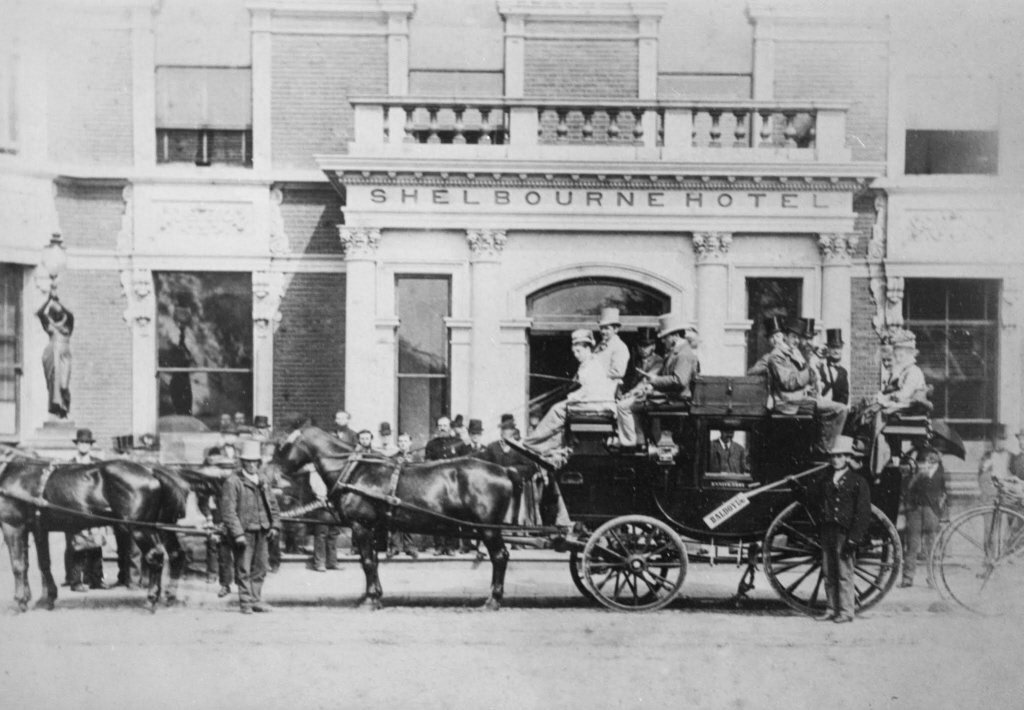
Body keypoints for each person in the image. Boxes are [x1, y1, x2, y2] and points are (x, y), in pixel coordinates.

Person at [749, 316, 847, 455]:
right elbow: (789, 382)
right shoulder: (777, 355)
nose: (796, 341)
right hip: (790, 402)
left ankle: (825, 446)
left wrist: (813, 375)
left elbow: (807, 378)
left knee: (839, 409)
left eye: (798, 338)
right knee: (840, 409)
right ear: (785, 337)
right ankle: (824, 449)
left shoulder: (794, 353)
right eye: (793, 337)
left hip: (802, 398)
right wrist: (810, 368)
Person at [802, 435, 871, 623]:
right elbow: (811, 497)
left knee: (844, 573)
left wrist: (854, 538)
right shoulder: (825, 480)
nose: (836, 460)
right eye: (833, 456)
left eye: (840, 456)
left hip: (844, 533)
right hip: (827, 531)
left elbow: (863, 513)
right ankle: (831, 609)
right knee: (828, 571)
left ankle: (847, 611)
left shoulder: (858, 481)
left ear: (848, 457)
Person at [525, 329, 617, 453]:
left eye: (578, 351)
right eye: (574, 352)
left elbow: (590, 390)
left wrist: (572, 397)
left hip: (595, 404)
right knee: (560, 408)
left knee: (557, 410)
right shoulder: (588, 364)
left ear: (588, 348)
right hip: (593, 402)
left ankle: (532, 443)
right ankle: (546, 445)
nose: (576, 355)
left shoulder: (592, 365)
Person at [615, 314, 700, 448]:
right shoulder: (675, 353)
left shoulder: (684, 354)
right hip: (669, 397)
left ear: (675, 336)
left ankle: (631, 441)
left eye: (665, 337)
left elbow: (680, 381)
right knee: (629, 403)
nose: (662, 341)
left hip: (676, 399)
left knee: (625, 406)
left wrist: (654, 380)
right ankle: (639, 439)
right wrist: (648, 388)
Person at [219, 439, 280, 614]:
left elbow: (273, 505)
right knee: (243, 567)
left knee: (260, 567)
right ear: (242, 462)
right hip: (244, 532)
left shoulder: (263, 480)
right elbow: (229, 511)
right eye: (248, 462)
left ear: (259, 463)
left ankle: (256, 599)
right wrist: (237, 534)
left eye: (255, 462)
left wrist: (274, 526)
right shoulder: (233, 482)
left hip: (263, 530)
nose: (252, 465)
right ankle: (245, 602)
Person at [479, 417, 545, 526]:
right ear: (500, 431)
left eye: (509, 430)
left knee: (513, 512)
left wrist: (515, 469)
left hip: (514, 487)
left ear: (513, 431)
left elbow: (531, 467)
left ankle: (513, 526)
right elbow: (483, 464)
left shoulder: (519, 448)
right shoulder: (492, 447)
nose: (506, 432)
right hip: (495, 487)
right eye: (504, 429)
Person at [65, 428, 107, 592]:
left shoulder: (97, 464)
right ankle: (75, 581)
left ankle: (96, 579)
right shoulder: (70, 464)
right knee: (77, 545)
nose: (84, 446)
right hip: (75, 509)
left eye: (87, 443)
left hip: (94, 508)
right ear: (77, 445)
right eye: (81, 442)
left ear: (90, 446)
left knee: (96, 544)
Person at [900, 448, 947, 588]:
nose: (927, 463)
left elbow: (945, 494)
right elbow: (907, 489)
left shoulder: (941, 474)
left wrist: (942, 513)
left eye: (930, 460)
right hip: (915, 511)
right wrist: (918, 476)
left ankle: (931, 577)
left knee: (931, 546)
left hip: (931, 512)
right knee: (912, 545)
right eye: (924, 461)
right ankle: (908, 577)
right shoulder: (916, 474)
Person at [425, 416, 463, 554]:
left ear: (450, 427)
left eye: (445, 425)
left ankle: (452, 546)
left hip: (454, 484)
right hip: (437, 485)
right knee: (437, 515)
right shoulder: (431, 444)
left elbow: (464, 462)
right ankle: (439, 546)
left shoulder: (459, 443)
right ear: (437, 427)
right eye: (440, 425)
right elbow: (427, 463)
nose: (442, 428)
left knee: (453, 514)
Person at [37, 294, 74, 419]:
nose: (57, 315)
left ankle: (66, 408)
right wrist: (48, 300)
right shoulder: (49, 325)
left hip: (64, 356)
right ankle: (59, 411)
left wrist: (60, 301)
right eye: (55, 313)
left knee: (64, 385)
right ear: (52, 313)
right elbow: (39, 313)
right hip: (52, 355)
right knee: (54, 384)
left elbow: (71, 314)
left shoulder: (68, 324)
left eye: (59, 312)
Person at [386, 433, 420, 559]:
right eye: (400, 441)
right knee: (394, 518)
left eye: (405, 441)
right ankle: (395, 547)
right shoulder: (393, 457)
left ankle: (409, 546)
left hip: (412, 491)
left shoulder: (416, 457)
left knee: (409, 519)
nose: (402, 444)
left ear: (410, 443)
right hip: (397, 490)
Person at [594, 307, 630, 393]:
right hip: (596, 387)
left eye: (606, 328)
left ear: (616, 329)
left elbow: (617, 371)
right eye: (601, 328)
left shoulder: (620, 347)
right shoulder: (600, 345)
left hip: (610, 389)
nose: (602, 331)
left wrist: (593, 373)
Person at [819, 328, 850, 405]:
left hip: (837, 411)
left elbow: (845, 396)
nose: (836, 351)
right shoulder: (821, 367)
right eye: (833, 347)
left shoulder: (843, 372)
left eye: (838, 347)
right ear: (828, 349)